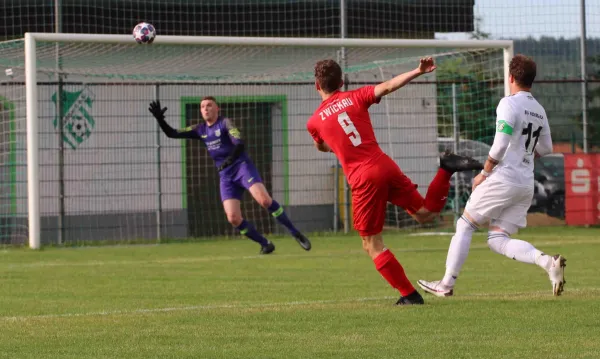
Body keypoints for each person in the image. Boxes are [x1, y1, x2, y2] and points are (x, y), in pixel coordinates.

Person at [306, 58, 483, 305]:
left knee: (371, 243)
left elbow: (322, 145)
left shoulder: (314, 121)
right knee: (424, 213)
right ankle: (445, 169)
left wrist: (332, 142)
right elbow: (388, 86)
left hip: (364, 178)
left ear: (317, 85)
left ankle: (409, 296)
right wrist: (419, 71)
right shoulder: (357, 96)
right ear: (342, 82)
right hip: (383, 164)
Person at [418, 54, 566, 297]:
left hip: (504, 178)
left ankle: (445, 284)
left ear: (510, 77)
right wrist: (525, 155)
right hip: (525, 182)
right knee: (497, 239)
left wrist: (484, 174)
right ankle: (548, 262)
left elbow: (498, 147)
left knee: (464, 225)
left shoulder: (509, 104)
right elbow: (547, 147)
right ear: (531, 80)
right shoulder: (538, 109)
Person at [149, 96, 312, 254]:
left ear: (217, 108)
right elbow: (172, 133)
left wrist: (230, 160)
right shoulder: (200, 129)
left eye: (209, 105)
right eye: (203, 106)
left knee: (264, 200)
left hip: (242, 167)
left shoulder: (225, 123)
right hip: (226, 176)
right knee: (233, 218)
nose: (206, 108)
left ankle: (295, 232)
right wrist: (160, 119)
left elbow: (239, 142)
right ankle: (265, 244)